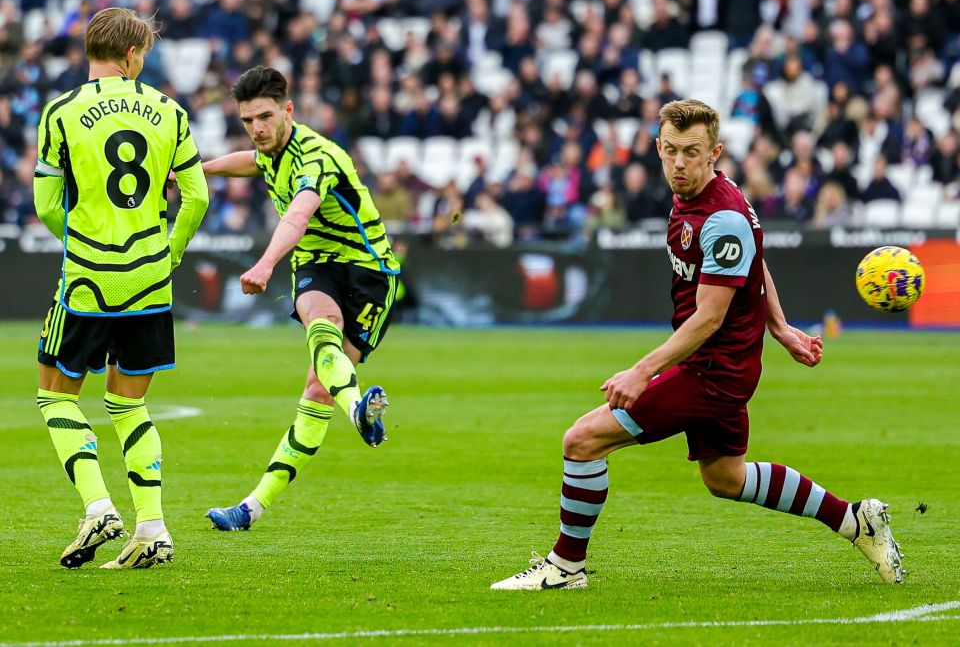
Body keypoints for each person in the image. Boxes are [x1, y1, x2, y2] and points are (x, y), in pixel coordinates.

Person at [491, 99, 903, 590]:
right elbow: (755, 261)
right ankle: (857, 521)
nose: (679, 163)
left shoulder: (722, 215)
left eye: (691, 152)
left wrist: (641, 371)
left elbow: (708, 318)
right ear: (657, 149)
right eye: (670, 151)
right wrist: (781, 326)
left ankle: (565, 568)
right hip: (723, 364)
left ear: (715, 152)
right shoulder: (703, 195)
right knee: (725, 478)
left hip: (713, 369)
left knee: (581, 442)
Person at [33, 8, 209, 569]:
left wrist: (81, 239)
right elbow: (198, 197)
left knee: (56, 394)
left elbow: (44, 204)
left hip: (87, 280)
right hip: (150, 280)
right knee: (128, 406)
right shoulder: (170, 111)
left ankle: (98, 507)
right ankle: (152, 529)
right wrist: (170, 250)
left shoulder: (60, 112)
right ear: (133, 56)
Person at [201, 66, 400, 531]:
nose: (257, 130)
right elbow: (253, 161)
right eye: (248, 121)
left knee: (316, 387)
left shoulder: (317, 156)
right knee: (320, 328)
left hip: (369, 270)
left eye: (265, 117)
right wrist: (200, 168)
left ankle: (253, 506)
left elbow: (299, 211)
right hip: (316, 263)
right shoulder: (268, 147)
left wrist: (265, 263)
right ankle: (357, 411)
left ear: (289, 109)